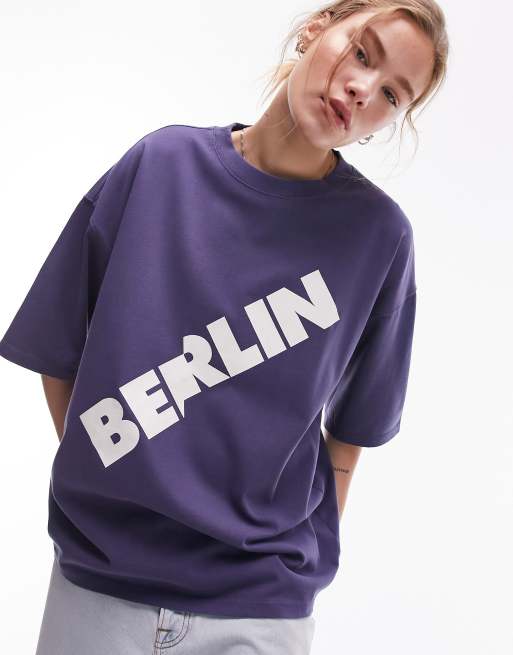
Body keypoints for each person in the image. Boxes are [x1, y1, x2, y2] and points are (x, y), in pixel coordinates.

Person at [0, 2, 449, 654]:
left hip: (259, 611)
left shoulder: (378, 238)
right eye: (362, 52)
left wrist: (283, 563)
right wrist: (114, 474)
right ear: (318, 26)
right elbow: (57, 345)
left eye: (391, 94)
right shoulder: (161, 165)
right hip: (98, 587)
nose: (362, 89)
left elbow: (352, 433)